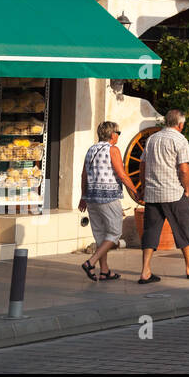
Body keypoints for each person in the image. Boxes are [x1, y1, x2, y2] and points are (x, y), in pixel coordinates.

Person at [138, 109, 189, 284]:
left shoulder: (152, 139)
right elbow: (184, 168)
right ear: (180, 124)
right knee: (183, 229)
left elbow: (142, 165)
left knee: (150, 231)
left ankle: (145, 271)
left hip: (153, 194)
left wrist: (143, 187)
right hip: (173, 193)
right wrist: (186, 189)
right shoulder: (180, 140)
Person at [78, 121, 139, 282]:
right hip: (108, 197)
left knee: (101, 235)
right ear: (113, 135)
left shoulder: (91, 150)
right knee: (114, 233)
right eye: (118, 133)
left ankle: (104, 271)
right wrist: (135, 190)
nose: (118, 136)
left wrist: (83, 197)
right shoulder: (113, 150)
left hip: (91, 198)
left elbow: (84, 175)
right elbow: (122, 174)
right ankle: (90, 262)